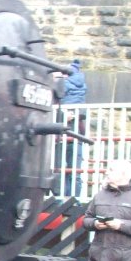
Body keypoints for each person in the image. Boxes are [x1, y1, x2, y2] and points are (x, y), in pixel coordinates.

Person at [59, 59, 87, 196]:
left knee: (60, 169)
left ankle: (61, 197)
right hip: (76, 134)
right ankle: (74, 198)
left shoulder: (61, 86)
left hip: (63, 135)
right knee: (74, 170)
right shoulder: (80, 88)